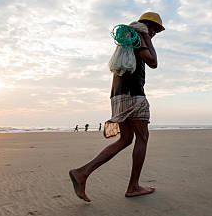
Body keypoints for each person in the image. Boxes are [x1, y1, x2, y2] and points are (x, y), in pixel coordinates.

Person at [69, 12, 164, 201]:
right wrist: (146, 35)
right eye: (154, 28)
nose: (154, 32)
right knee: (142, 138)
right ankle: (134, 186)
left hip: (118, 96)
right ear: (146, 24)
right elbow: (152, 62)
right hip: (133, 95)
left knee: (125, 140)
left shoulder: (127, 38)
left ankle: (82, 173)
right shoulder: (139, 37)